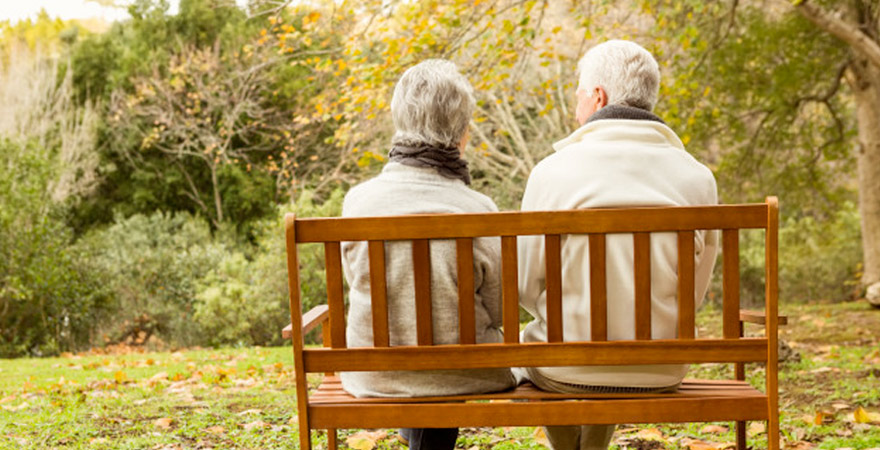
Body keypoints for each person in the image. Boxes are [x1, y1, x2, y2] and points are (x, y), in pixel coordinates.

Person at [516, 40, 719, 450]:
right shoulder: (698, 178)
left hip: (565, 369)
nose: (575, 110)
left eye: (577, 95)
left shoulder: (551, 173)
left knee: (549, 347)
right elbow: (692, 296)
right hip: (662, 370)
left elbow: (523, 286)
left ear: (598, 96)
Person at [339, 59, 516, 450]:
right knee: (439, 366)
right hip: (467, 372)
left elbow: (357, 285)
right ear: (461, 133)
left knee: (421, 369)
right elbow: (502, 309)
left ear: (399, 120)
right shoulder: (478, 208)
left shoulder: (359, 202)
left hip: (375, 375)